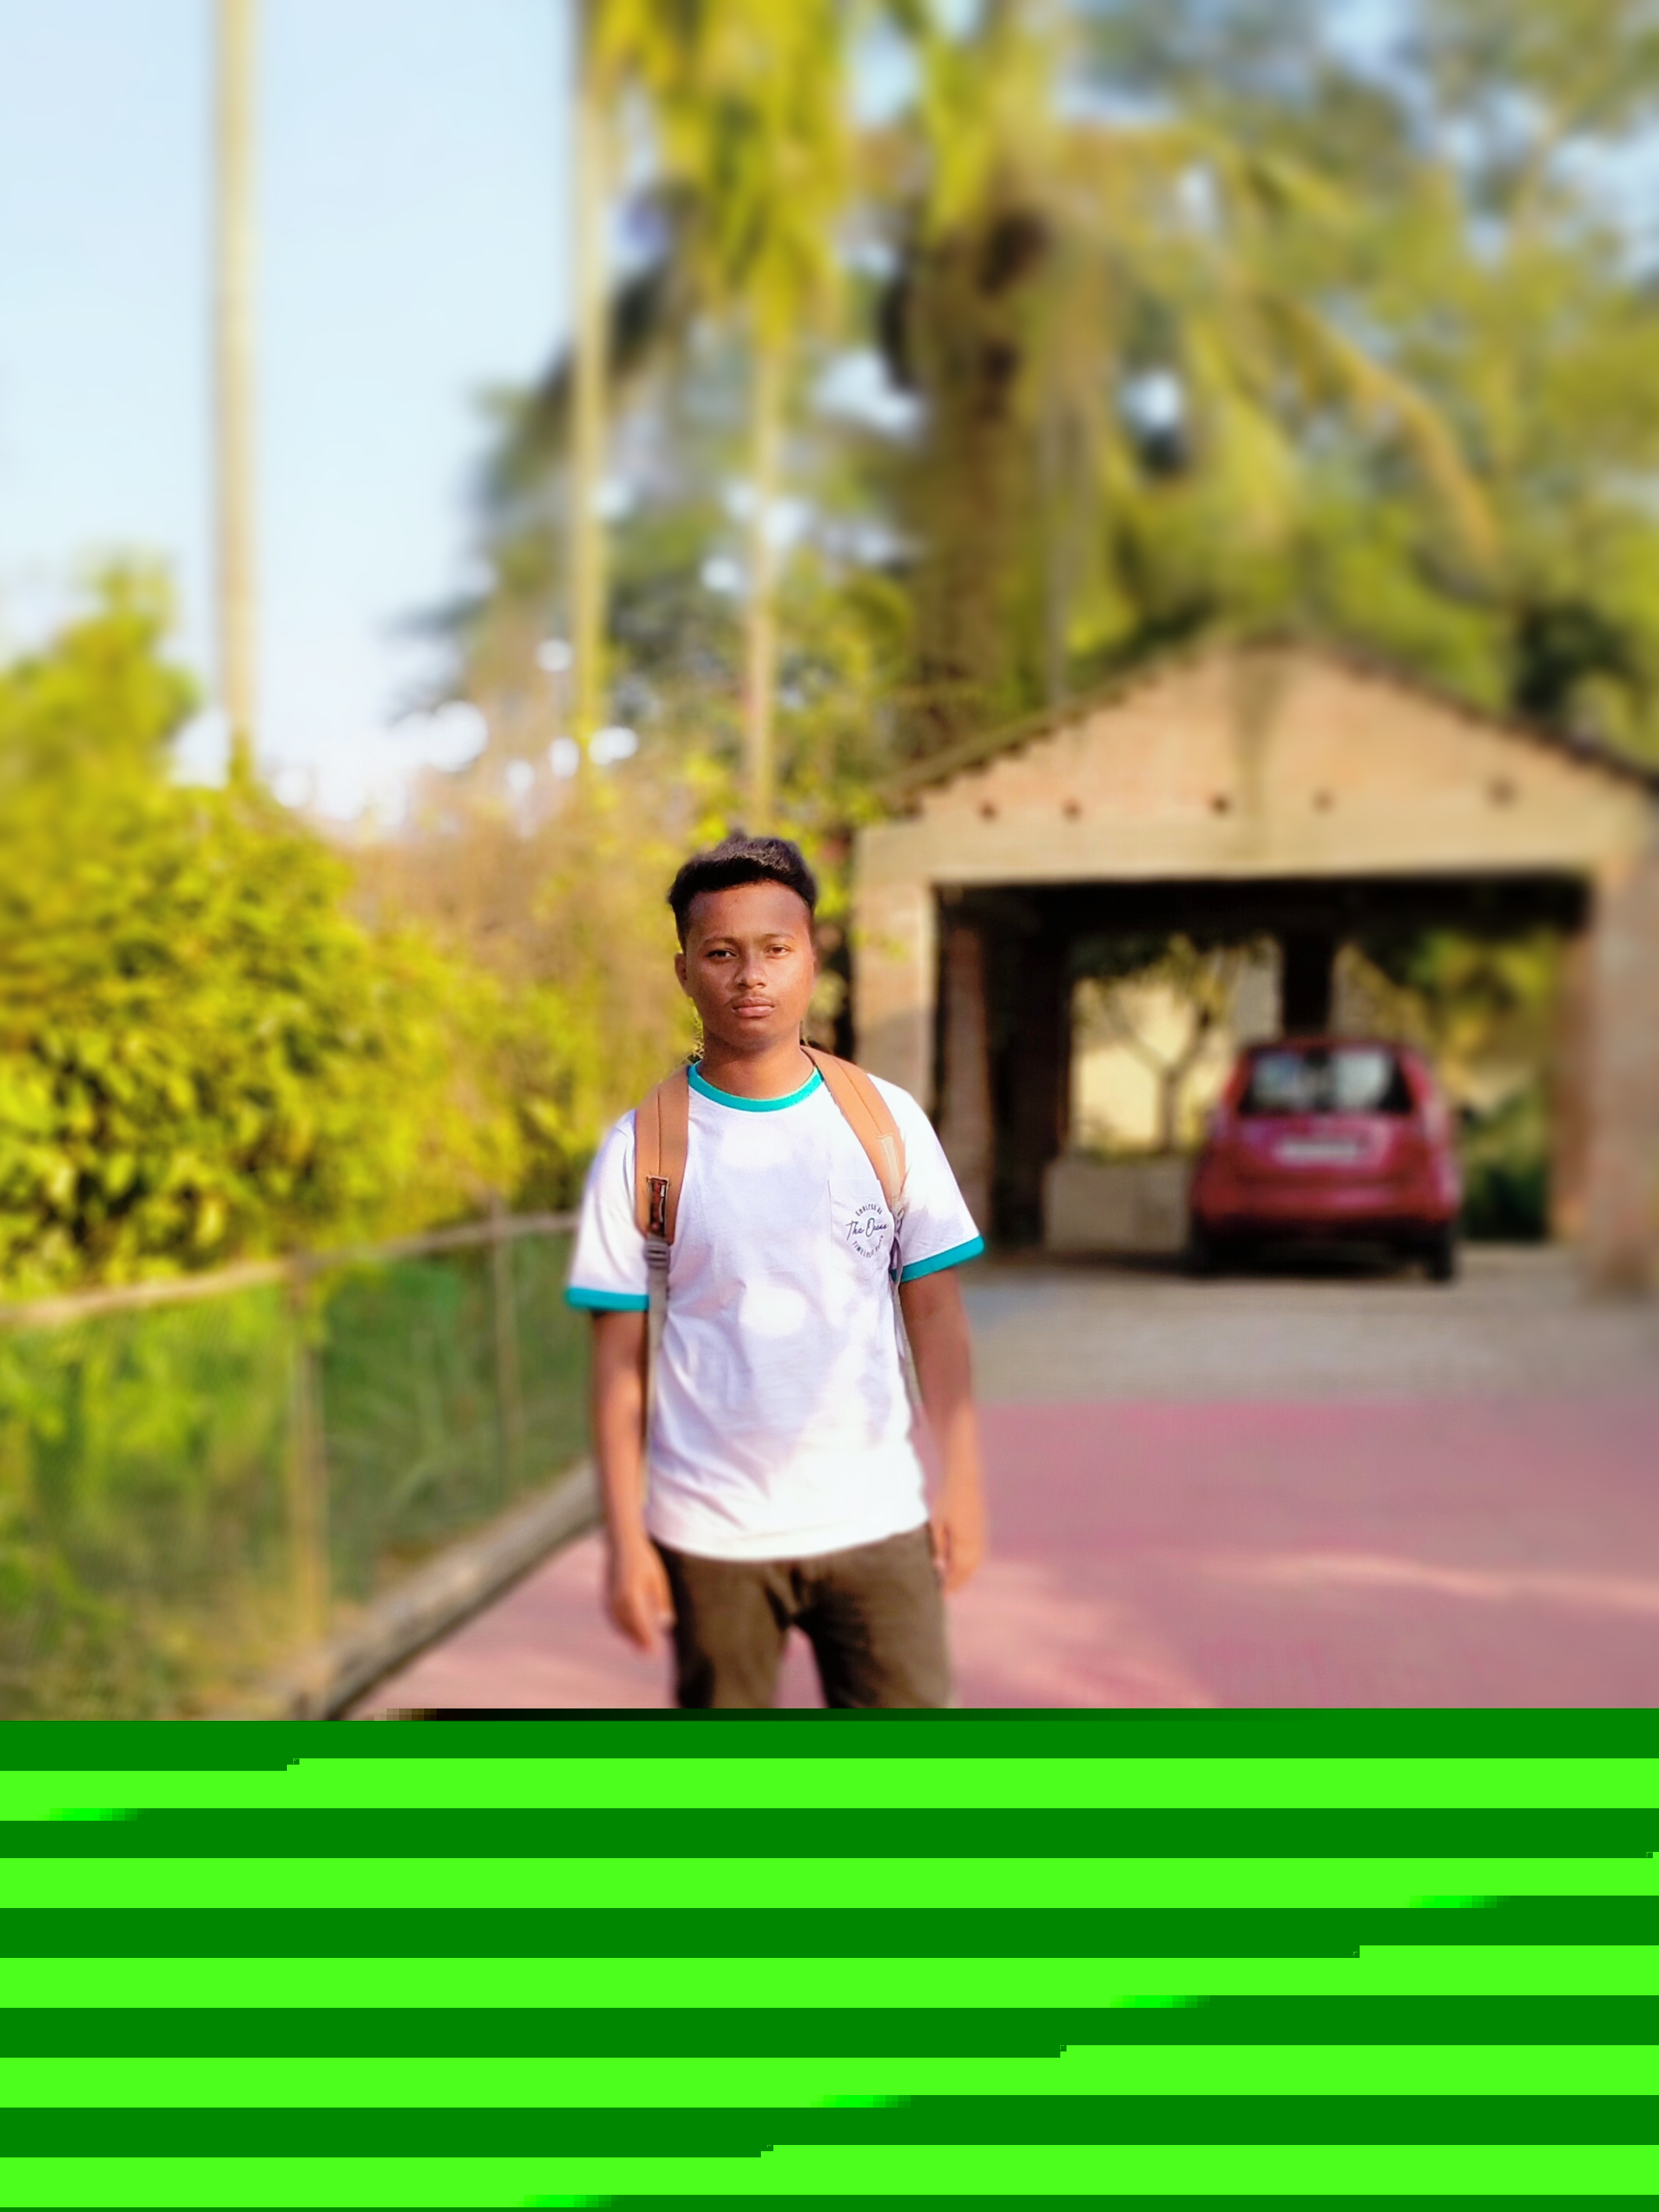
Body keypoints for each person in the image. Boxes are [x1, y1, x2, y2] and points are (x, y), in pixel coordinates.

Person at [565, 831, 986, 1708]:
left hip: (875, 1519)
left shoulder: (885, 1123)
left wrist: (964, 1482)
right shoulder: (643, 1148)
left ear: (812, 960)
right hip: (711, 1532)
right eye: (721, 953)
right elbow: (618, 1361)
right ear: (685, 972)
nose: (750, 976)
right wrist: (626, 1541)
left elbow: (936, 1313)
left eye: (775, 949)